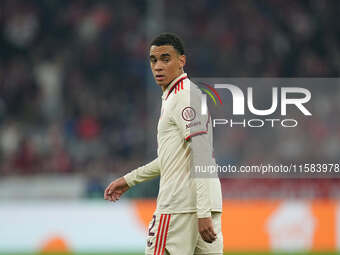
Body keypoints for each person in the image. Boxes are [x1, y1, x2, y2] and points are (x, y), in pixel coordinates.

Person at [104, 33, 223, 255]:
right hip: (204, 207)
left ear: (182, 61)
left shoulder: (182, 97)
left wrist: (202, 211)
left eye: (165, 59)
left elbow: (202, 154)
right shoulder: (188, 95)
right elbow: (174, 159)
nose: (158, 66)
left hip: (179, 208)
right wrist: (129, 180)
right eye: (153, 60)